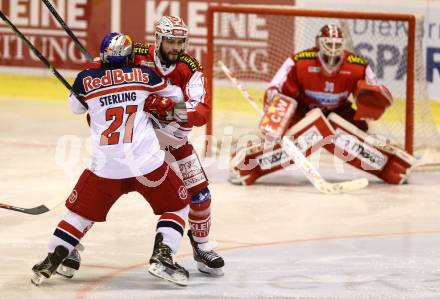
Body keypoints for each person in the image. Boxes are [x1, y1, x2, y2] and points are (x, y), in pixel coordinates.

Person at [31, 32, 191, 287]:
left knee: (79, 215)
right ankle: (163, 256)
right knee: (178, 205)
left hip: (106, 167)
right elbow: (178, 99)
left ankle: (53, 259)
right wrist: (164, 112)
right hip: (146, 163)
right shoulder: (145, 75)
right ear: (129, 57)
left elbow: (77, 108)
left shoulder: (85, 79)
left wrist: (97, 82)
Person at [229, 24, 415, 186]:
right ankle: (247, 164)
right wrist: (274, 109)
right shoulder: (299, 61)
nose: (333, 49)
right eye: (329, 43)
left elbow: (374, 91)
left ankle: (390, 165)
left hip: (339, 111)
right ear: (319, 43)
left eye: (337, 45)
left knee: (362, 132)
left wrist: (373, 100)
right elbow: (276, 88)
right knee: (277, 137)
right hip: (304, 111)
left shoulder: (358, 65)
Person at [132, 16, 224, 276]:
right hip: (137, 141)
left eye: (180, 42)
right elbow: (107, 69)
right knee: (107, 187)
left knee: (200, 196)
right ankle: (69, 245)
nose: (175, 47)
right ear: (159, 39)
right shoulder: (137, 55)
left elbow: (201, 112)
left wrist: (169, 108)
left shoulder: (190, 67)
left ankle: (202, 246)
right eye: (170, 41)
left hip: (173, 141)